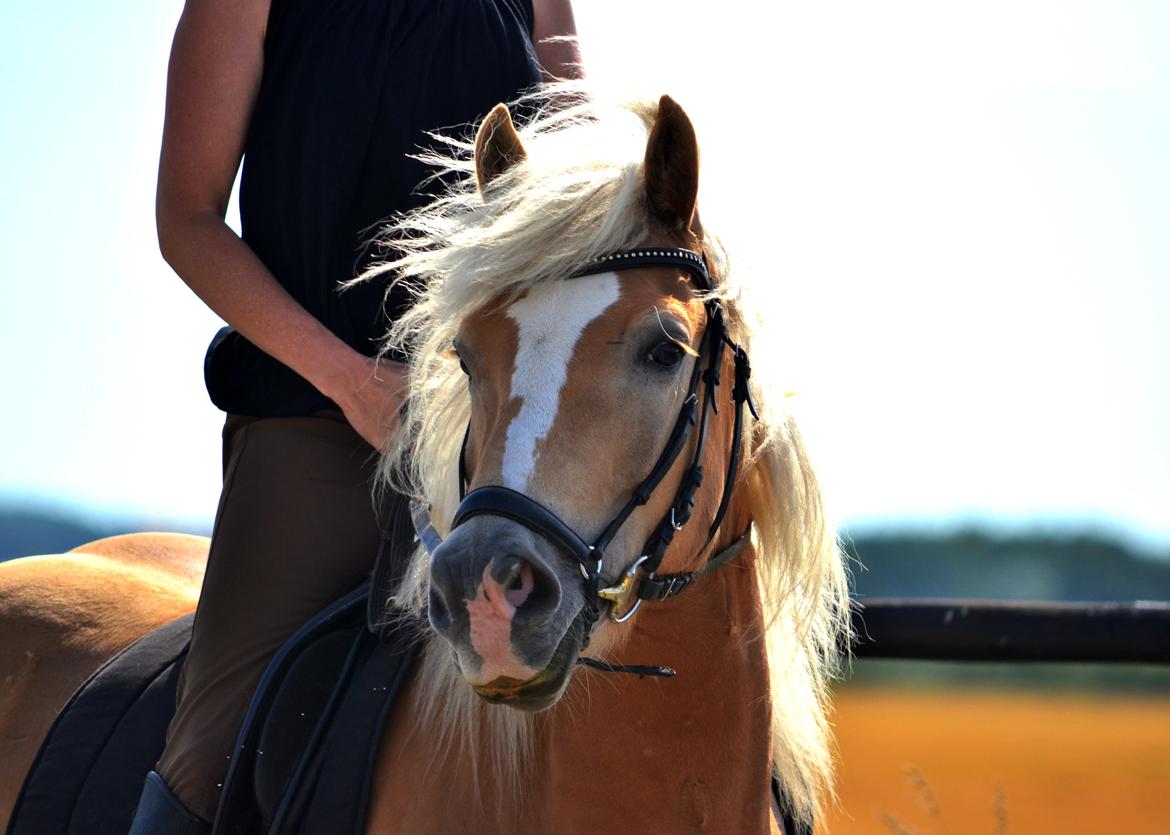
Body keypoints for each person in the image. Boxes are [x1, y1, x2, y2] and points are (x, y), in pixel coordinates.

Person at [129, 0, 582, 831]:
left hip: (502, 450)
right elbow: (186, 219)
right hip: (312, 419)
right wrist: (349, 380)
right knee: (213, 752)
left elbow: (577, 212)